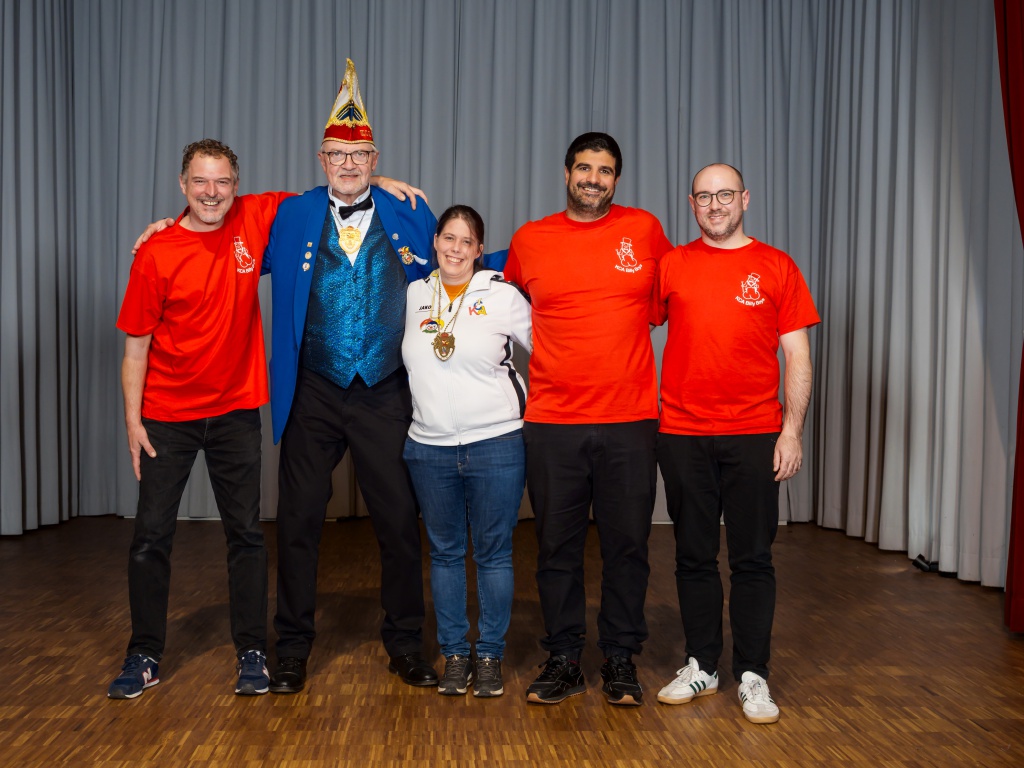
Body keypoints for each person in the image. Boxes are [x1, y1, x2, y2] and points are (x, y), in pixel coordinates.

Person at [262, 59, 439, 693]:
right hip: (313, 388)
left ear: (374, 160)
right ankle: (291, 647)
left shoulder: (410, 210)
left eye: (359, 156)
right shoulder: (290, 214)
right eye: (336, 154)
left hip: (385, 388)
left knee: (399, 521)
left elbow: (457, 261)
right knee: (298, 523)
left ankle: (406, 643)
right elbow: (220, 227)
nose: (347, 164)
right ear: (320, 159)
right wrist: (171, 224)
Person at [109, 139, 289, 699]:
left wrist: (376, 182)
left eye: (222, 181)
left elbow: (333, 193)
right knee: (150, 537)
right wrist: (133, 423)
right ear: (183, 185)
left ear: (237, 185)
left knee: (247, 537)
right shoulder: (156, 252)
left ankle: (252, 652)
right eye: (201, 182)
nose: (212, 192)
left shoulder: (253, 218)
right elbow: (135, 349)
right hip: (168, 416)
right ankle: (144, 655)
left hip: (235, 411)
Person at [503, 132, 673, 706]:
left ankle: (621, 658)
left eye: (604, 171)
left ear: (616, 179)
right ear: (566, 173)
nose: (592, 179)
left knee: (627, 547)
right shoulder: (530, 240)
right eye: (583, 168)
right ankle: (565, 658)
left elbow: (672, 302)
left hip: (630, 419)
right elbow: (503, 307)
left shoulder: (645, 231)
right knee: (557, 547)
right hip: (553, 421)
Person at [651, 163, 820, 724]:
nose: (715, 205)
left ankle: (753, 674)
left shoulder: (777, 266)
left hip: (754, 434)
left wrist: (791, 431)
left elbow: (798, 355)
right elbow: (625, 324)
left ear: (745, 199)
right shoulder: (672, 265)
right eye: (704, 196)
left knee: (752, 558)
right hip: (682, 433)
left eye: (725, 195)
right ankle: (701, 664)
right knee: (693, 555)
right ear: (692, 204)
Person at [401, 205, 532, 697]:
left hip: (496, 443)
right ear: (435, 242)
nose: (455, 249)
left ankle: (491, 654)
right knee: (445, 554)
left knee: (494, 554)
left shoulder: (503, 296)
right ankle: (456, 654)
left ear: (479, 250)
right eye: (448, 238)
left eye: (466, 241)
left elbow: (552, 352)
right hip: (429, 448)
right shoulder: (414, 294)